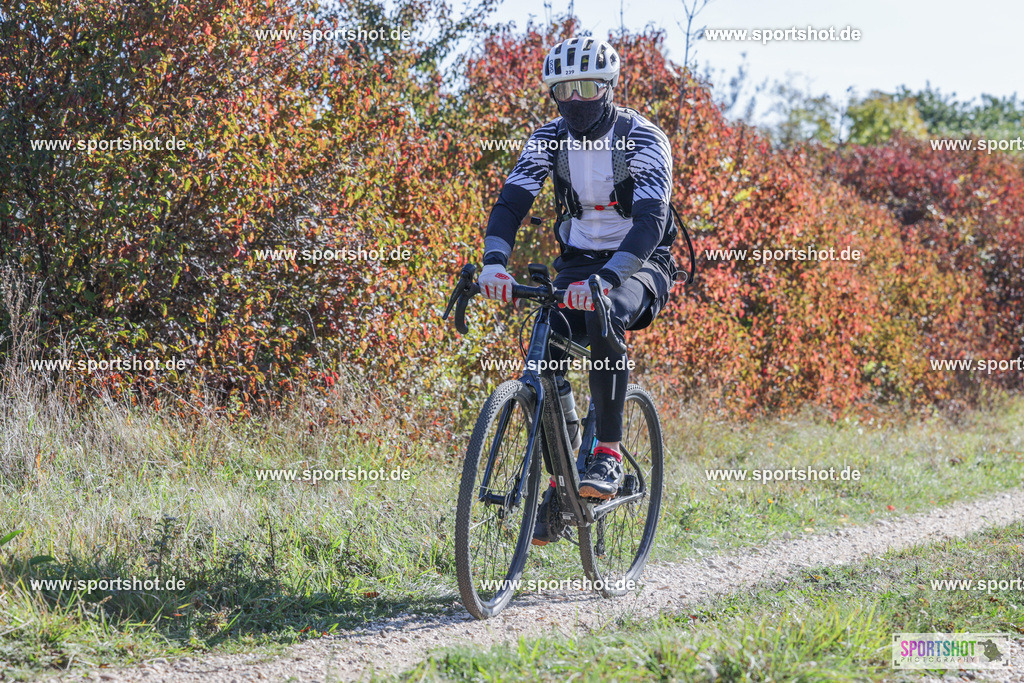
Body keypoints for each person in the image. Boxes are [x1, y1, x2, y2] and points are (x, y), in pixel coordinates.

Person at [478, 36, 677, 545]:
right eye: (564, 90)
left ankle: (608, 452)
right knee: (545, 353)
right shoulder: (547, 139)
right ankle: (562, 481)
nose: (577, 100)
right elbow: (511, 202)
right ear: (552, 95)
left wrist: (609, 279)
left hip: (640, 260)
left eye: (589, 87)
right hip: (578, 260)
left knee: (603, 312)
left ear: (609, 87)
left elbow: (652, 220)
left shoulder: (643, 138)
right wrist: (495, 263)